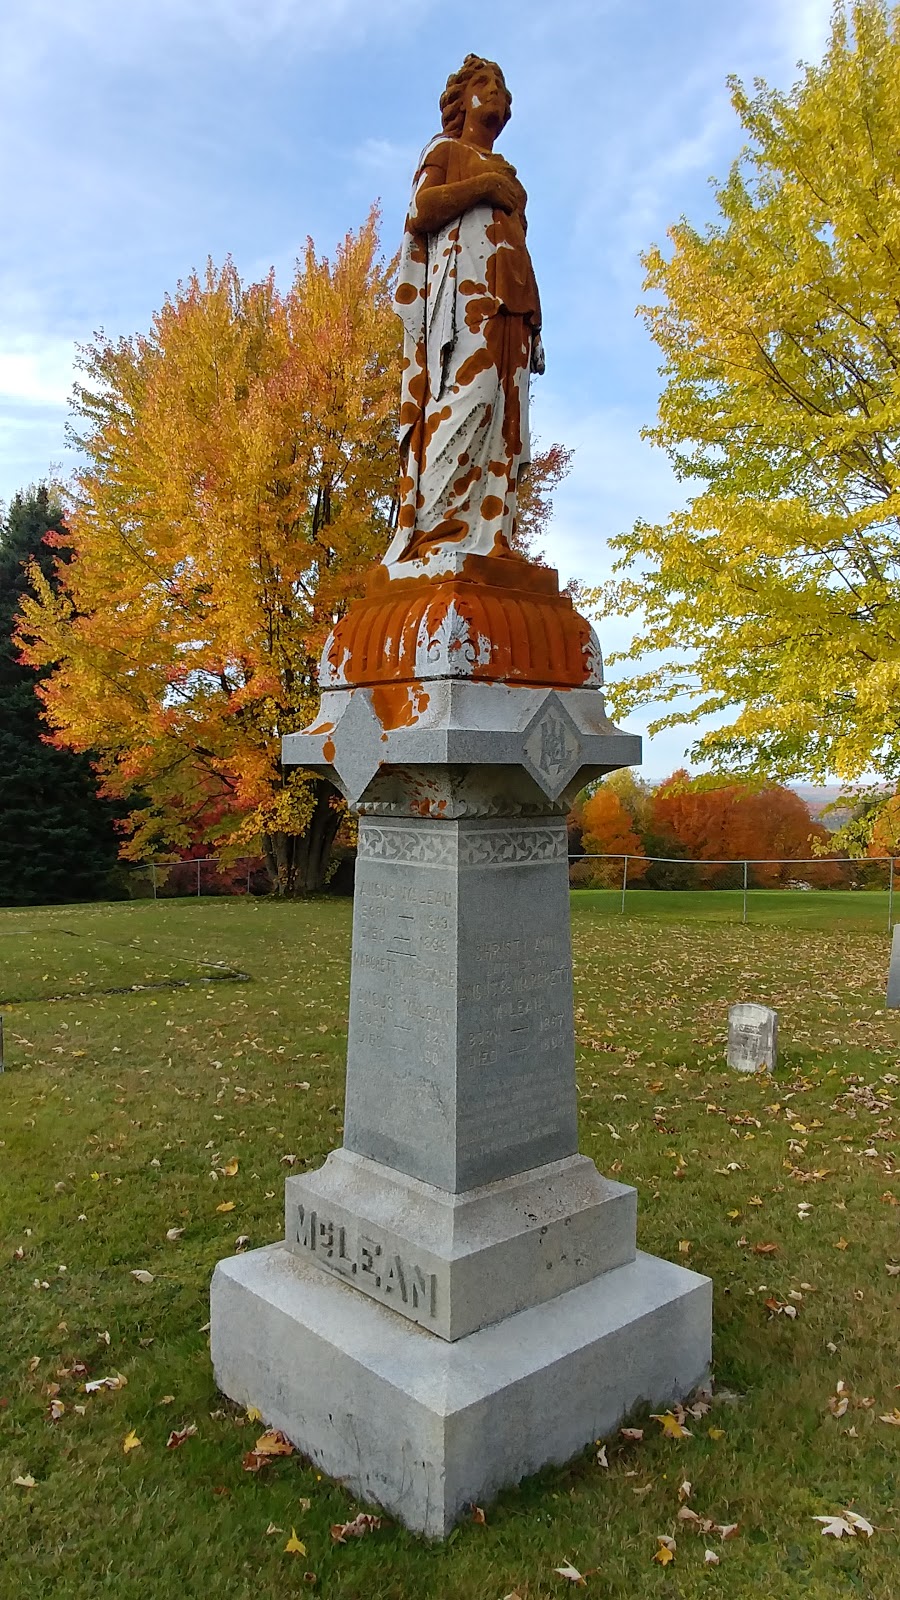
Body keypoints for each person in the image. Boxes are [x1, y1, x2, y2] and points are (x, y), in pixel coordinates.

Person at [383, 54, 544, 574]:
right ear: (460, 100)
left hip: (512, 307)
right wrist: (483, 187)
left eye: (501, 85)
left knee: (507, 419)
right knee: (465, 400)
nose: (495, 92)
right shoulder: (447, 151)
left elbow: (517, 246)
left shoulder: (513, 179)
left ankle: (490, 533)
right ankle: (438, 532)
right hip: (464, 305)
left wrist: (535, 323)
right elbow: (421, 211)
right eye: (484, 84)